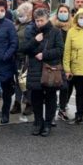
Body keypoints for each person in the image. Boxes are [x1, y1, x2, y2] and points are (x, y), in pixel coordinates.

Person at [22, 8, 64, 136]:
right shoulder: (31, 31)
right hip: (35, 68)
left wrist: (44, 54)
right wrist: (35, 40)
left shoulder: (56, 32)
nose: (39, 23)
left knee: (51, 97)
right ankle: (38, 122)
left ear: (47, 19)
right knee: (36, 98)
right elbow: (23, 48)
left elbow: (60, 50)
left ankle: (47, 124)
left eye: (41, 20)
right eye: (37, 20)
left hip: (50, 68)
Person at [13, 1, 34, 120]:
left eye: (23, 14)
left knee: (25, 82)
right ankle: (17, 102)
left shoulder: (32, 27)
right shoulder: (17, 25)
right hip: (17, 56)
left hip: (26, 57)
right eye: (19, 14)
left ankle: (28, 103)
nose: (20, 16)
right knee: (18, 81)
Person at [50, 4, 72, 122]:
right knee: (53, 87)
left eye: (65, 11)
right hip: (54, 60)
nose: (63, 13)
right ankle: (51, 111)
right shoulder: (52, 25)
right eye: (61, 11)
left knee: (65, 87)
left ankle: (62, 108)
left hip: (67, 61)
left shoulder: (72, 27)